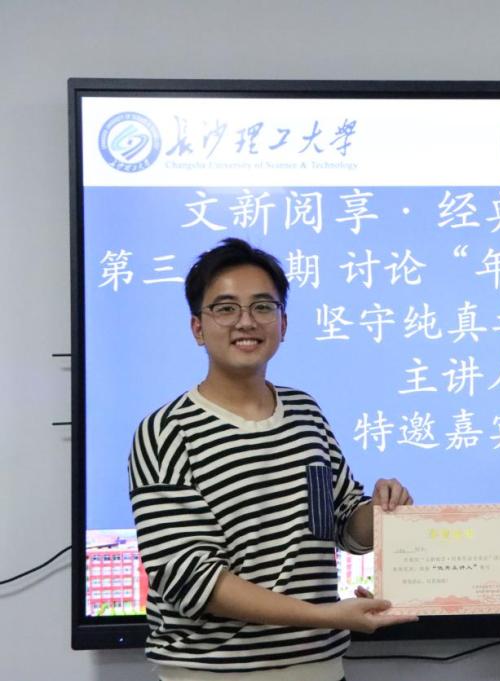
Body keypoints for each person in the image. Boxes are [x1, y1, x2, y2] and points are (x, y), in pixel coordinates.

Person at [128, 238, 416, 681]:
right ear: (197, 328)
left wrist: (378, 513)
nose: (246, 321)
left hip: (320, 668)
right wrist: (327, 616)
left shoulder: (305, 412)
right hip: (212, 673)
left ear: (283, 323)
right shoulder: (165, 432)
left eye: (263, 306)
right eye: (225, 308)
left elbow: (342, 523)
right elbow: (192, 579)